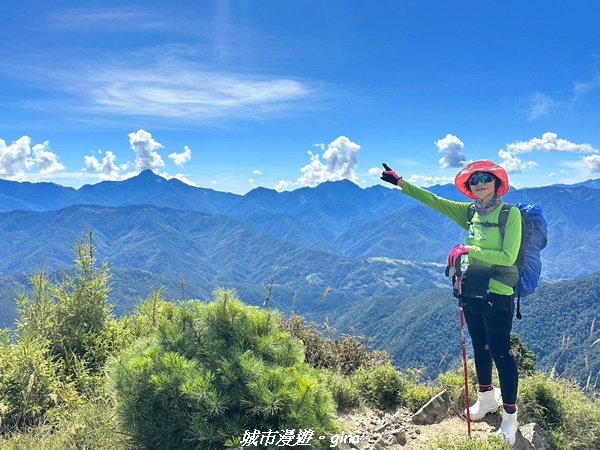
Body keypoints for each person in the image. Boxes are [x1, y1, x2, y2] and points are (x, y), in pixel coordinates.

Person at [381, 160, 521, 446]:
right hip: (471, 288)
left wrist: (470, 249)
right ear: (469, 187)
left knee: (500, 352)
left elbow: (508, 256)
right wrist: (401, 183)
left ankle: (510, 417)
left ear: (497, 183)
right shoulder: (469, 212)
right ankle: (485, 399)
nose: (480, 183)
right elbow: (435, 201)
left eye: (486, 178)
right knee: (479, 346)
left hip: (499, 291)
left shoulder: (511, 214)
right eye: (474, 180)